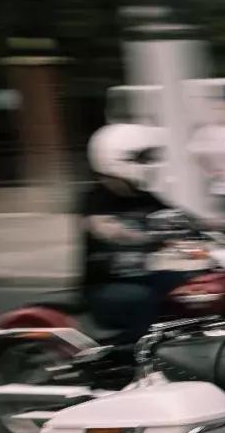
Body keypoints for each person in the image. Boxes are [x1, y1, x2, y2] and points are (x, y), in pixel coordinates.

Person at [81, 124, 189, 346]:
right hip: (106, 286)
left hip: (145, 277)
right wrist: (146, 236)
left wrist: (224, 226)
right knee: (143, 300)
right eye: (141, 159)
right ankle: (130, 357)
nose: (148, 165)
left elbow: (181, 218)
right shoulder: (95, 198)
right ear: (115, 158)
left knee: (191, 289)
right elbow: (105, 228)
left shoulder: (144, 196)